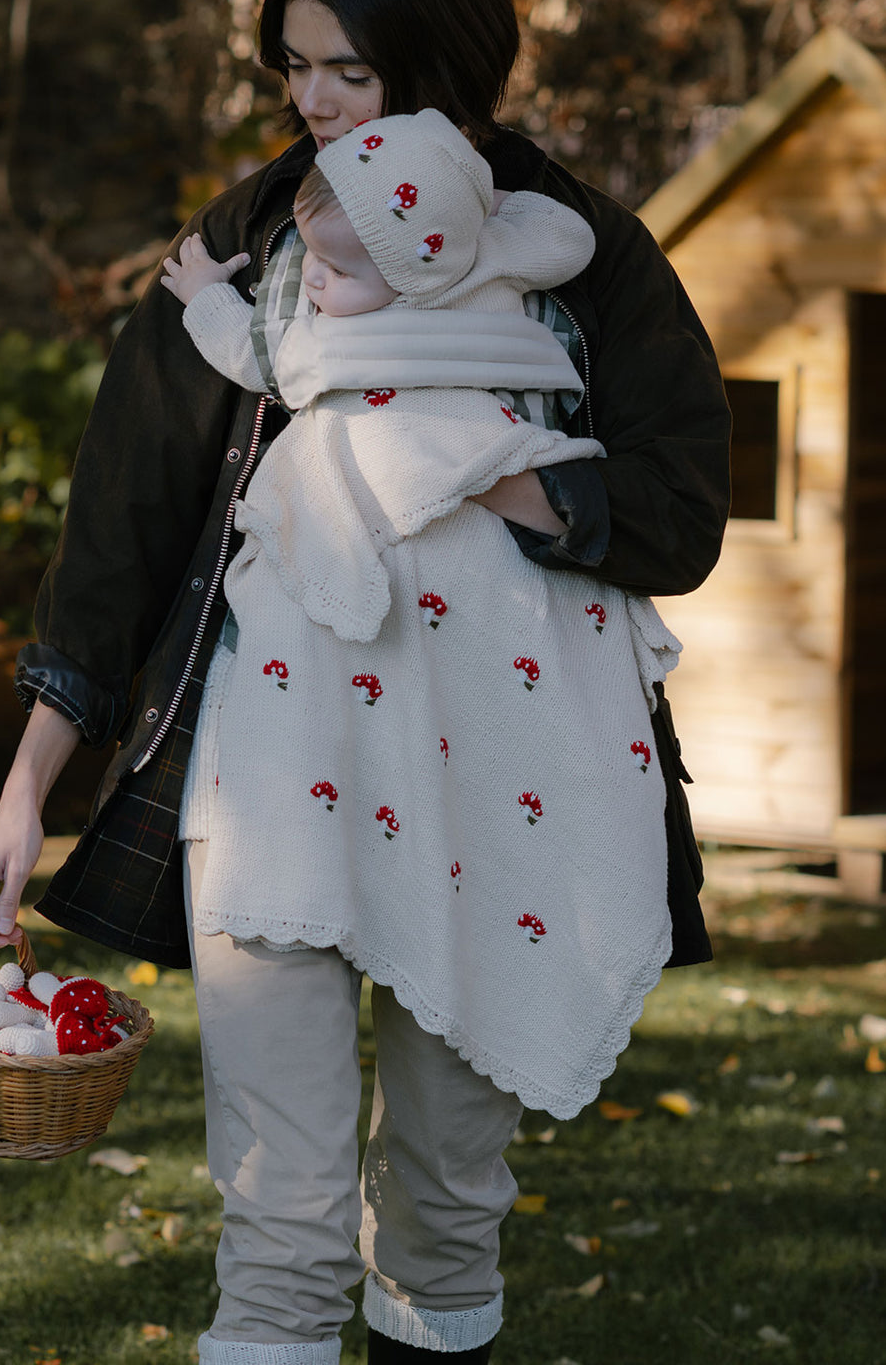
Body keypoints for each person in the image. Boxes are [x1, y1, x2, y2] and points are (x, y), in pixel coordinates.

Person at [0, 0, 730, 1360]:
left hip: (510, 783)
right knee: (282, 1214)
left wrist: (487, 468)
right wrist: (27, 787)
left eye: (350, 74)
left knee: (443, 1209)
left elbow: (681, 512)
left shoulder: (589, 254)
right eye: (294, 70)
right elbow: (117, 536)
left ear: (449, 64)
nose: (311, 103)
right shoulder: (258, 234)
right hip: (279, 774)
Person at [160, 103, 683, 1128]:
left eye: (339, 272)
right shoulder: (384, 315)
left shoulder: (415, 341)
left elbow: (259, 360)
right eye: (310, 261)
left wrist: (200, 304)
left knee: (442, 1152)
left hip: (452, 676)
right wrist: (202, 290)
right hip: (320, 735)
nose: (312, 287)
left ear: (425, 273)